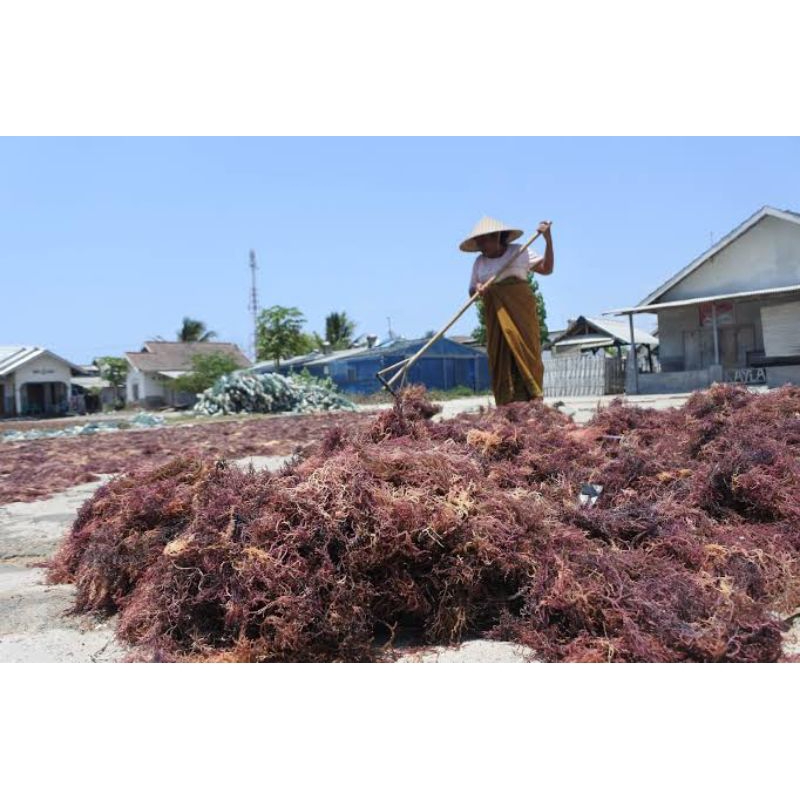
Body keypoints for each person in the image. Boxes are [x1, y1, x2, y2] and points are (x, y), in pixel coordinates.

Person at [462, 216, 554, 405]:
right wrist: (478, 288)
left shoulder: (519, 251)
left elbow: (547, 269)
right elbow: (472, 291)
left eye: (483, 240)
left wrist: (548, 240)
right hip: (496, 316)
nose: (481, 245)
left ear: (497, 237)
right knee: (501, 355)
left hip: (521, 312)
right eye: (478, 242)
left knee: (526, 352)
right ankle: (507, 405)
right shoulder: (480, 262)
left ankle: (533, 401)